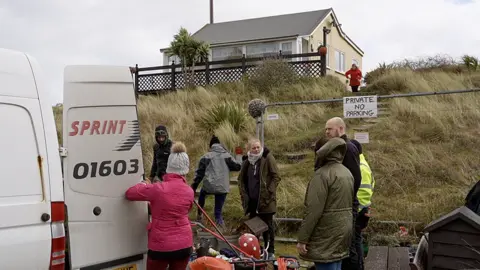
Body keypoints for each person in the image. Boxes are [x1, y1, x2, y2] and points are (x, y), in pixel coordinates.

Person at [125, 142, 194, 270]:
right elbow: (186, 210)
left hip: (160, 246)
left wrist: (145, 184)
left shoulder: (157, 189)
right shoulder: (189, 191)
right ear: (185, 169)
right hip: (185, 245)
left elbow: (130, 194)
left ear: (169, 167)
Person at [297, 137, 354, 270]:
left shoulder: (322, 175)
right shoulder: (346, 172)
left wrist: (303, 239)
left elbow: (313, 210)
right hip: (342, 230)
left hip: (326, 233)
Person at [324, 117, 363, 270]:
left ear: (340, 129)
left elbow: (355, 178)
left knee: (349, 245)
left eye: (330, 129)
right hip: (339, 204)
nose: (327, 132)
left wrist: (346, 198)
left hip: (346, 205)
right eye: (326, 129)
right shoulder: (336, 147)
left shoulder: (347, 148)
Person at [237, 138, 281, 259]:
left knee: (268, 227)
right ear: (249, 149)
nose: (256, 150)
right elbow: (241, 180)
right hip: (252, 202)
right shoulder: (247, 161)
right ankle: (255, 251)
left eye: (258, 147)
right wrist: (244, 196)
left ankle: (270, 251)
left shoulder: (267, 158)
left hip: (266, 201)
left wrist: (268, 192)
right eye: (254, 148)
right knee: (254, 228)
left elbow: (276, 176)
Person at [191, 135, 242, 227]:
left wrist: (193, 187)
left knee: (202, 193)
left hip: (209, 186)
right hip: (222, 188)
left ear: (211, 146)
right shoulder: (227, 156)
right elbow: (238, 167)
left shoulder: (205, 157)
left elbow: (199, 174)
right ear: (221, 145)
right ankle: (221, 230)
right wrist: (239, 155)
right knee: (218, 212)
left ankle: (199, 214)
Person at [350, 139, 375, 230]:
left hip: (359, 210)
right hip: (361, 208)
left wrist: (355, 210)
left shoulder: (361, 168)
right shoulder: (359, 165)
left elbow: (363, 192)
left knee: (355, 239)